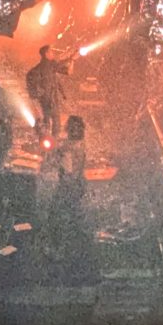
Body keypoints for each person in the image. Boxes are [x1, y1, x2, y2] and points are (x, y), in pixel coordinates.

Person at [47, 115, 90, 270]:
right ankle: (78, 252)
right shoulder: (81, 145)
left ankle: (59, 252)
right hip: (78, 186)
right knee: (74, 218)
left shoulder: (68, 149)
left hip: (68, 187)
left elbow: (67, 172)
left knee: (58, 217)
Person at [25, 44, 72, 142]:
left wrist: (72, 60)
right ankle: (53, 140)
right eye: (51, 51)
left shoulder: (47, 66)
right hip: (49, 98)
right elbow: (60, 65)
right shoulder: (47, 64)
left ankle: (46, 140)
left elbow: (68, 72)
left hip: (46, 97)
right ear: (46, 54)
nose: (53, 53)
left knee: (48, 119)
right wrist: (71, 58)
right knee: (55, 120)